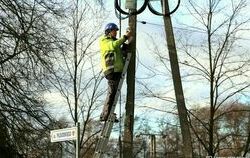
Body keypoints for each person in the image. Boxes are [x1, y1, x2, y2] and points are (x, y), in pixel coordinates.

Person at [99, 23, 132, 122]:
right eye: (114, 31)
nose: (116, 33)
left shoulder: (115, 41)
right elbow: (113, 46)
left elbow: (119, 50)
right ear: (108, 32)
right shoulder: (104, 40)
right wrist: (125, 36)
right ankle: (105, 114)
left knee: (114, 93)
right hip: (111, 70)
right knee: (112, 92)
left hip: (117, 70)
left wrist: (128, 44)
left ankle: (108, 113)